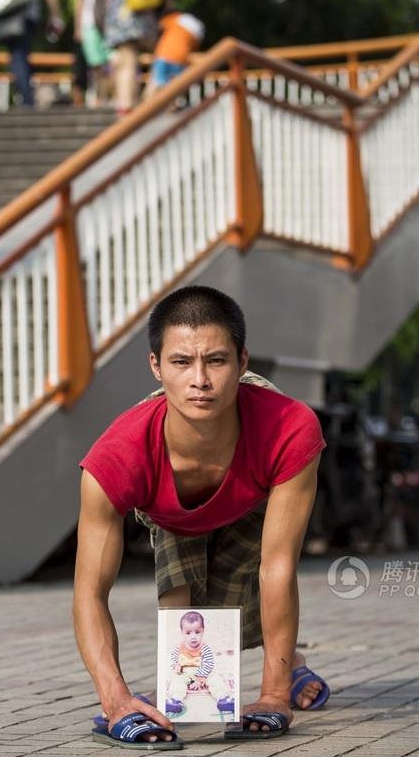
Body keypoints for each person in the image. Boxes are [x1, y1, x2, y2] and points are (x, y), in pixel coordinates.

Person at [75, 286, 331, 748]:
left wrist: (272, 698)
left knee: (243, 592)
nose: (200, 380)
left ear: (242, 362)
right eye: (180, 363)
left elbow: (278, 567)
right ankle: (177, 689)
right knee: (189, 619)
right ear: (155, 366)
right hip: (172, 514)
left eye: (216, 361)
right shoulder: (117, 457)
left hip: (254, 496)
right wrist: (115, 700)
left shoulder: (289, 428)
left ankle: (286, 670)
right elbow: (90, 593)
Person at [100, 0, 171, 115]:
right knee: (162, 55)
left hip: (120, 18)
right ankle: (143, 100)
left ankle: (125, 105)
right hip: (142, 18)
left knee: (125, 62)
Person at [166, 611, 233, 716]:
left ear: (203, 631)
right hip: (185, 671)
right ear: (182, 632)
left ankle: (222, 698)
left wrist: (200, 679)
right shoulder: (180, 647)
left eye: (197, 632)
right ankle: (175, 700)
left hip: (202, 671)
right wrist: (176, 665)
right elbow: (173, 657)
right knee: (177, 679)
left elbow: (208, 663)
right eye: (188, 633)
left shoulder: (205, 648)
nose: (193, 637)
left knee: (214, 677)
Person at [70, 0, 115, 107]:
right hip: (89, 24)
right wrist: (78, 28)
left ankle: (108, 97)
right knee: (96, 64)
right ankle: (101, 97)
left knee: (112, 64)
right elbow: (80, 0)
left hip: (113, 25)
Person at [146, 10, 204, 98]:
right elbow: (194, 47)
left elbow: (159, 26)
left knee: (155, 84)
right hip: (182, 59)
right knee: (173, 88)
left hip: (164, 54)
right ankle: (170, 108)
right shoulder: (198, 29)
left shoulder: (176, 18)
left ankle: (147, 107)